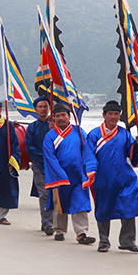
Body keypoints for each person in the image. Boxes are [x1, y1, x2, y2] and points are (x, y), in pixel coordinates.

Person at [84, 100, 138, 253]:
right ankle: (104, 241)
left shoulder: (124, 133)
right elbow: (88, 155)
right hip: (103, 178)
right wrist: (91, 171)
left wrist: (137, 145)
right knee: (103, 208)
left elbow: (131, 155)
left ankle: (127, 241)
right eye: (110, 114)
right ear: (104, 115)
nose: (113, 117)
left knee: (129, 207)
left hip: (124, 178)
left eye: (116, 114)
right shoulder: (94, 134)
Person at [43, 103, 96, 244]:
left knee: (80, 203)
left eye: (63, 115)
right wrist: (60, 174)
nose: (61, 118)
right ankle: (59, 230)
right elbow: (49, 157)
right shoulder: (50, 136)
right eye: (57, 116)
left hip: (78, 174)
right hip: (60, 175)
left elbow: (87, 150)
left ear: (69, 116)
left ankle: (81, 233)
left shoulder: (79, 131)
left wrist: (89, 169)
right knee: (59, 203)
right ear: (53, 118)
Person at [24, 96, 55, 235]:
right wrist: (45, 157)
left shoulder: (56, 125)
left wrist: (54, 131)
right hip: (39, 165)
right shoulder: (32, 127)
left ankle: (55, 224)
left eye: (46, 106)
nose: (43, 109)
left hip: (56, 166)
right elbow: (29, 147)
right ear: (35, 109)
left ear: (50, 108)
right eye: (40, 107)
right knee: (44, 194)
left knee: (56, 195)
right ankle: (48, 224)